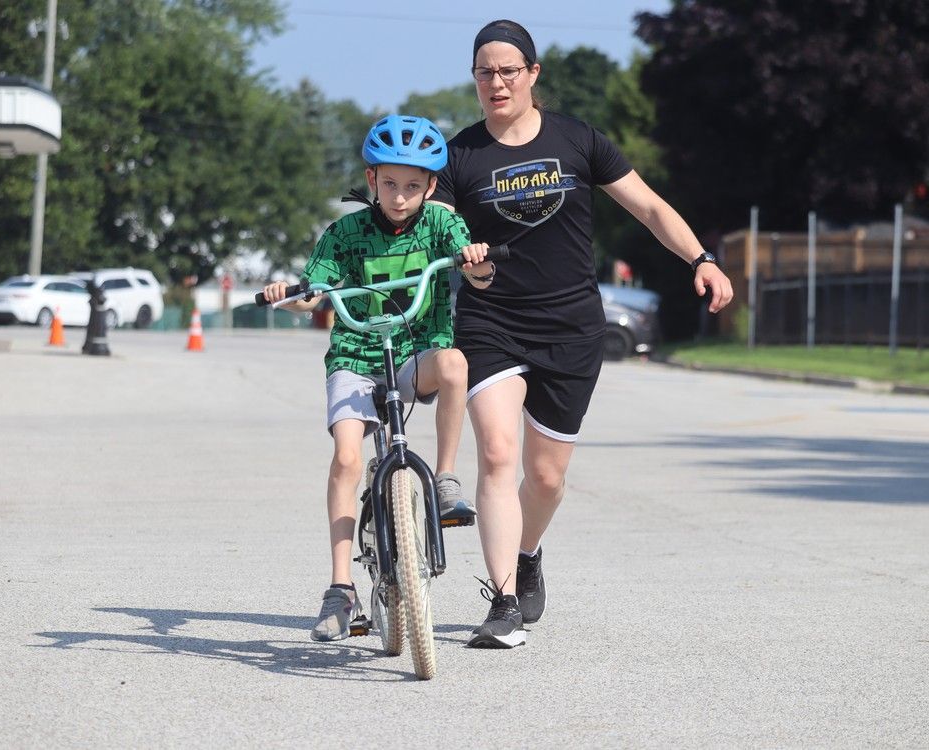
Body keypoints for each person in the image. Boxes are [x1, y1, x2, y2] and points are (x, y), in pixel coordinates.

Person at [430, 20, 735, 648]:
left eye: (509, 70)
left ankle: (529, 551)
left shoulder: (578, 141)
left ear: (533, 75)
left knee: (544, 478)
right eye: (484, 72)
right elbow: (437, 235)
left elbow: (648, 206)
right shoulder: (459, 157)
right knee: (495, 453)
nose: (497, 83)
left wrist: (701, 259)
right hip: (490, 320)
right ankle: (503, 601)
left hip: (570, 324)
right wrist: (466, 262)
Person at [261, 115, 494, 642]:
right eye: (389, 183)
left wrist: (477, 260)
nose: (401, 196)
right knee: (347, 457)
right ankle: (340, 588)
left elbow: (478, 273)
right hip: (356, 356)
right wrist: (292, 295)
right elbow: (315, 293)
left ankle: (446, 476)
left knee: (455, 361)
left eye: (414, 186)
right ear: (371, 181)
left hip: (415, 354)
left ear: (432, 187)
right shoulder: (344, 234)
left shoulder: (441, 223)